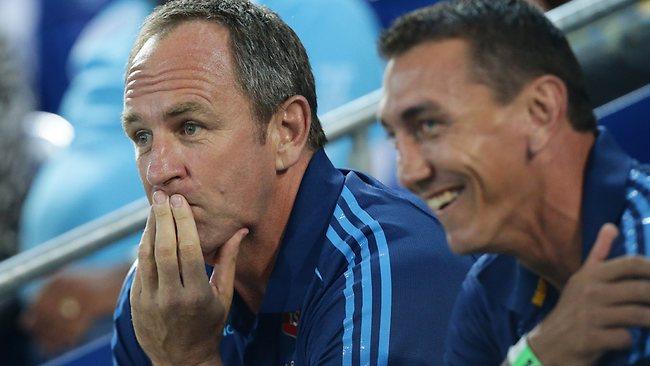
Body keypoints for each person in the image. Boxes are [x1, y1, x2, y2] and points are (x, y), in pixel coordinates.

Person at [112, 0, 470, 365]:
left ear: (287, 131)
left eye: (190, 127)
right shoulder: (158, 298)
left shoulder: (394, 272)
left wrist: (187, 358)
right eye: (142, 137)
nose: (158, 171)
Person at [377, 0, 650, 365]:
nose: (409, 174)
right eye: (396, 138)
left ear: (540, 110)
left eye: (429, 125)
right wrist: (535, 356)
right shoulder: (488, 287)